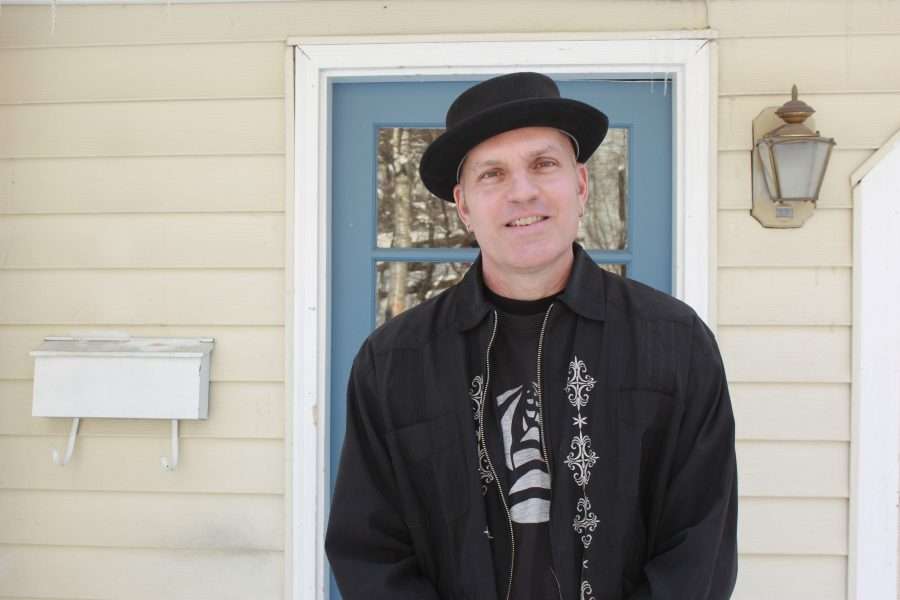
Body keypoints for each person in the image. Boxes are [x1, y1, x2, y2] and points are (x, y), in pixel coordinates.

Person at [325, 72, 738, 600]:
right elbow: (370, 550)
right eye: (492, 174)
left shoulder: (675, 343)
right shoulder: (395, 360)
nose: (523, 191)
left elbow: (699, 548)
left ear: (581, 185)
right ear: (464, 206)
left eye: (543, 164)